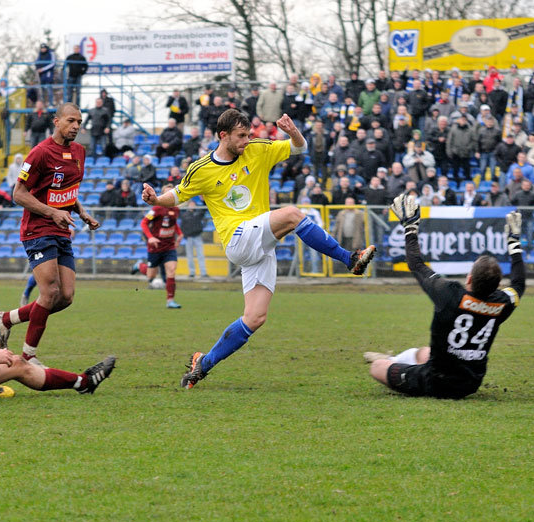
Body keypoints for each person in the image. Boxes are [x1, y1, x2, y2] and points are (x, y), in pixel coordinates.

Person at [142, 109, 376, 389]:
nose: (246, 141)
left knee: (255, 317)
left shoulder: (257, 150)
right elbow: (177, 195)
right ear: (223, 136)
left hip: (260, 245)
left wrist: (293, 132)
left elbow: (299, 148)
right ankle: (349, 259)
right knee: (292, 214)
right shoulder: (202, 168)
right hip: (238, 239)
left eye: (249, 135)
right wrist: (156, 198)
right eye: (241, 136)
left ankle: (203, 364)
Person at [365, 196, 525, 399]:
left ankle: (388, 361)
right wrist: (514, 244)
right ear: (497, 286)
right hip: (471, 382)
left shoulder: (449, 294)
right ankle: (393, 359)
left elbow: (416, 264)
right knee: (424, 352)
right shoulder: (502, 303)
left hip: (436, 381)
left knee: (377, 368)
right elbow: (519, 285)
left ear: (469, 278)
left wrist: (410, 227)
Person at [0, 103, 100, 367]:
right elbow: (18, 194)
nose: (76, 126)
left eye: (79, 122)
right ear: (56, 121)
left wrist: (82, 212)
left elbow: (68, 189)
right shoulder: (39, 153)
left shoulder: (79, 152)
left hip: (62, 229)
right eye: (71, 121)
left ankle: (7, 319)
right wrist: (51, 212)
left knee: (66, 297)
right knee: (49, 292)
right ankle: (28, 357)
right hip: (37, 230)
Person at [140, 183, 183, 308]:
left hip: (169, 246)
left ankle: (170, 301)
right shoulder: (156, 208)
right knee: (151, 275)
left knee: (171, 271)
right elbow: (144, 223)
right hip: (156, 246)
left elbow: (173, 224)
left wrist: (179, 234)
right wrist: (151, 237)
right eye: (167, 193)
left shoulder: (176, 209)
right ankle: (139, 266)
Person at [180, 199, 207, 278]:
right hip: (189, 238)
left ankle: (203, 273)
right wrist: (185, 236)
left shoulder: (198, 213)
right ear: (188, 206)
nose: (192, 206)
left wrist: (203, 201)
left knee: (201, 255)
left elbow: (204, 210)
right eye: (191, 204)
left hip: (197, 237)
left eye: (193, 204)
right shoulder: (184, 215)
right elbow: (182, 226)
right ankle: (192, 273)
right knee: (190, 256)